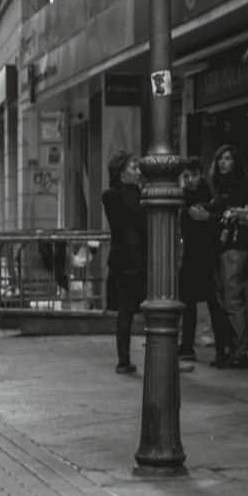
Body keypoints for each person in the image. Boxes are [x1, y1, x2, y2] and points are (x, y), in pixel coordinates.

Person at [178, 158, 231, 371]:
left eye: (193, 175)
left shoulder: (206, 194)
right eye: (186, 176)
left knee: (212, 303)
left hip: (205, 254)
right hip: (193, 253)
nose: (190, 180)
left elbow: (198, 220)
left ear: (200, 174)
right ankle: (188, 345)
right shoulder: (187, 194)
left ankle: (221, 348)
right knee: (189, 302)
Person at [207, 143, 248, 368]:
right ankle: (233, 349)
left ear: (235, 161)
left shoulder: (239, 185)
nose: (223, 162)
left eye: (228, 158)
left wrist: (208, 214)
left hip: (234, 246)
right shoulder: (220, 186)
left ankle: (240, 351)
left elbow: (231, 214)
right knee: (225, 299)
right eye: (220, 158)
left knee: (232, 299)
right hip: (221, 247)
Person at [103, 151, 146, 375]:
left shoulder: (109, 196)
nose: (138, 172)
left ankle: (123, 360)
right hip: (136, 259)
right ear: (121, 173)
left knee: (125, 311)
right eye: (133, 168)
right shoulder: (131, 196)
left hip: (118, 259)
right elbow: (144, 222)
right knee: (153, 306)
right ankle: (163, 352)